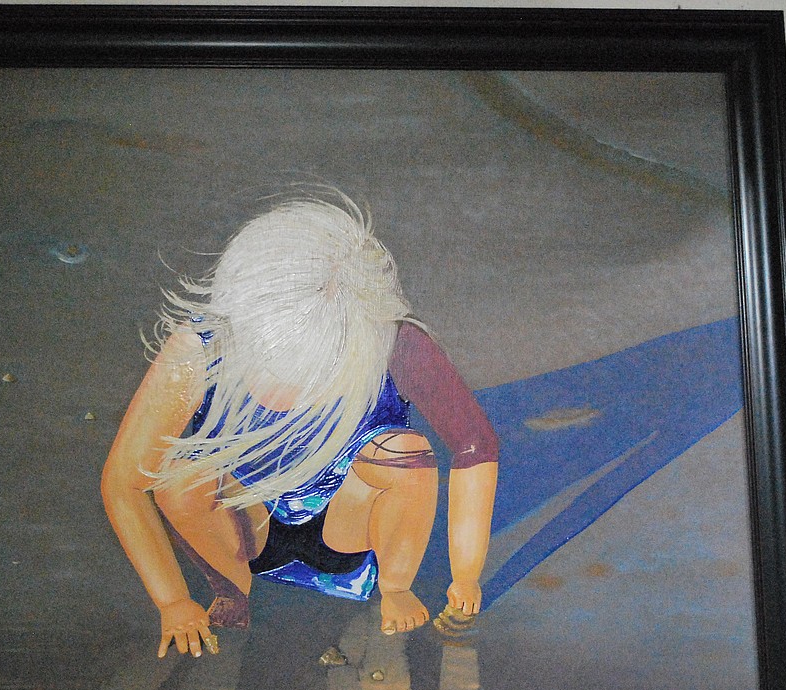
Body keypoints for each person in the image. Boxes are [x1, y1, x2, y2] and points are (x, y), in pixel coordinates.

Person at [101, 193, 498, 659]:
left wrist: (466, 575)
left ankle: (393, 587)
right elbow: (125, 482)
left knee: (404, 453)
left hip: (348, 527)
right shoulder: (201, 346)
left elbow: (475, 444)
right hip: (247, 531)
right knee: (181, 474)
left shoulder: (395, 342)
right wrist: (172, 600)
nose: (288, 397)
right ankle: (233, 590)